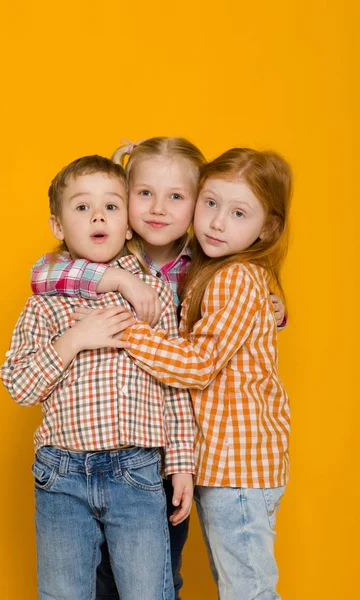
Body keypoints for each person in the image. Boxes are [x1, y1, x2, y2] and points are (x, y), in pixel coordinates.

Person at [31, 138, 287, 599]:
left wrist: (273, 307)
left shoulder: (205, 263)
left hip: (175, 447)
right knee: (103, 572)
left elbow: (216, 338)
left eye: (177, 197)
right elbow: (43, 274)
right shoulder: (113, 254)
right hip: (104, 444)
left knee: (157, 573)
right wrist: (117, 279)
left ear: (193, 205)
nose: (158, 209)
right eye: (143, 194)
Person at [0, 154, 196, 600]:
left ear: (128, 224)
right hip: (61, 473)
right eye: (82, 207)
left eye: (111, 205)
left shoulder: (154, 295)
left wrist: (182, 461)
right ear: (57, 225)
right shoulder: (44, 301)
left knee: (149, 591)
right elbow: (18, 385)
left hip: (137, 471)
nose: (97, 216)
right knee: (63, 592)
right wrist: (73, 340)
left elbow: (175, 382)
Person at [114, 147, 292, 600]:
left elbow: (198, 364)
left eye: (237, 213)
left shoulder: (234, 278)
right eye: (210, 203)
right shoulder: (212, 269)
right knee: (238, 584)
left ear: (267, 228)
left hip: (238, 467)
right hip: (227, 466)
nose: (216, 221)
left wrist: (126, 332)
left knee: (248, 591)